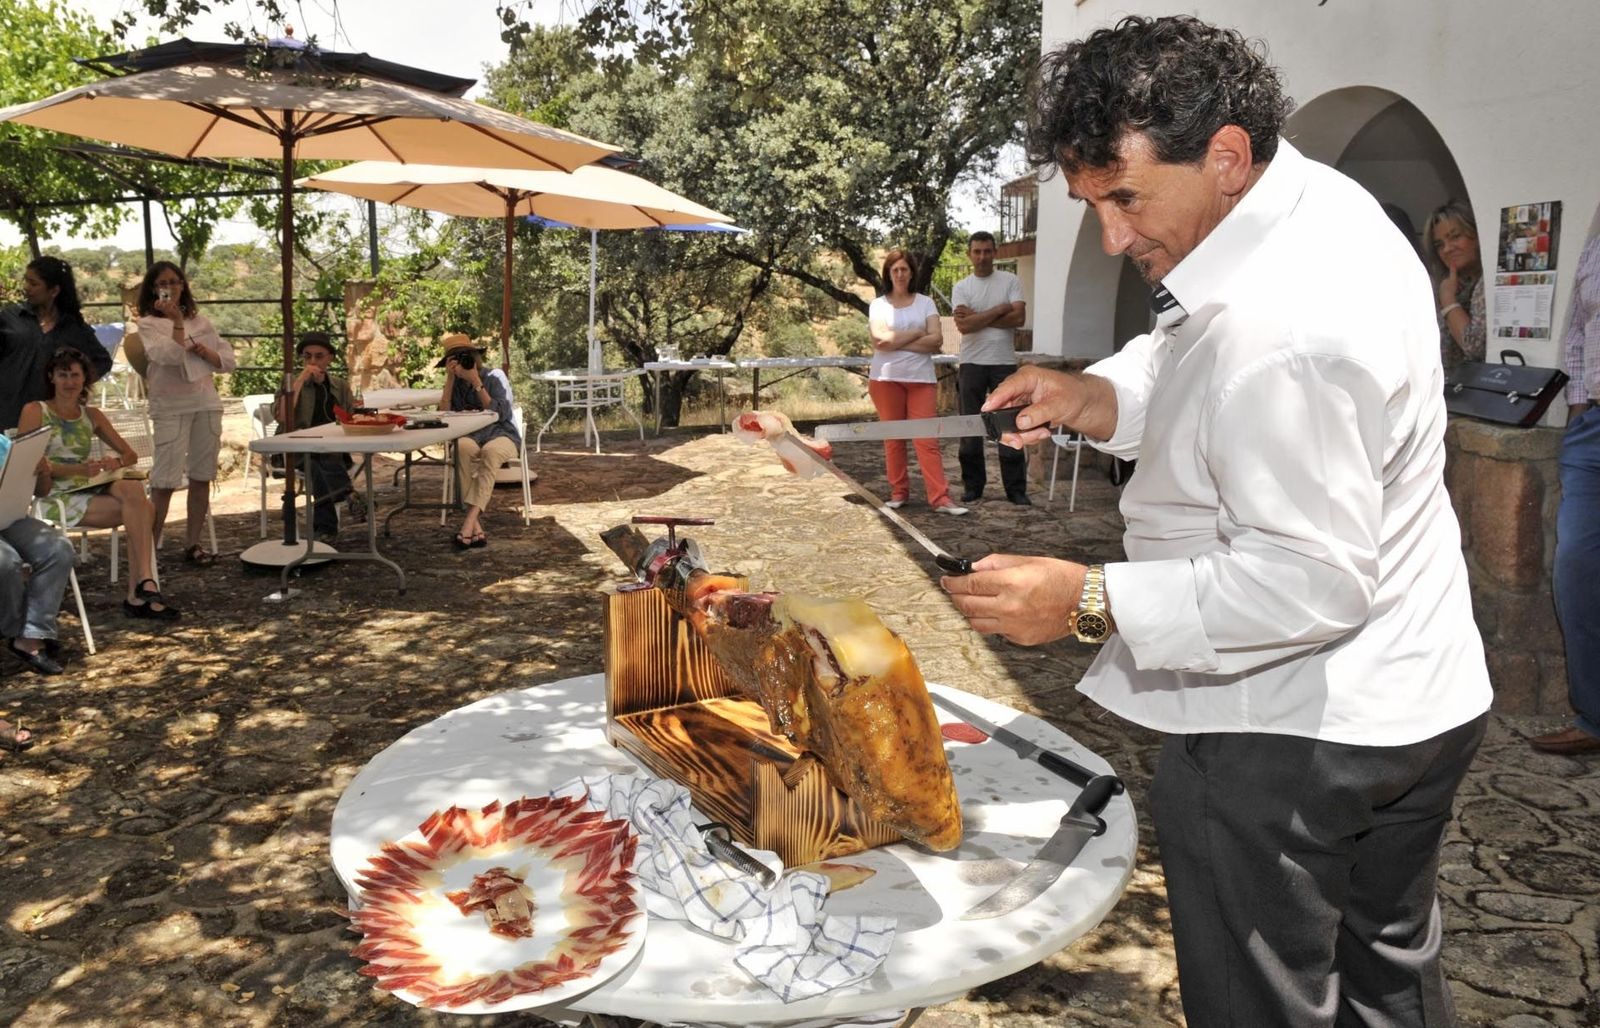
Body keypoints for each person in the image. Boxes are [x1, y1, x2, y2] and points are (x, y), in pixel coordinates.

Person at [941, 16, 1490, 1027]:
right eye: (1091, 204)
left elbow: (1307, 585)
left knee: (1258, 1003)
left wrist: (1088, 600)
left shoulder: (1291, 327)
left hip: (1290, 732)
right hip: (1419, 692)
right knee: (1389, 979)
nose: (1113, 237)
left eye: (1125, 198)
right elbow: (1189, 345)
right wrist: (1097, 395)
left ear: (1226, 155)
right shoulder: (1306, 205)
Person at [19, 347, 179, 620]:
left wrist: (113, 463)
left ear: (85, 379)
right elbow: (27, 463)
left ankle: (142, 585)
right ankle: (142, 588)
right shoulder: (36, 410)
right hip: (54, 494)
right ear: (51, 377)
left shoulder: (91, 415)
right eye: (63, 375)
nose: (69, 382)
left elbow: (130, 455)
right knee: (145, 510)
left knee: (132, 488)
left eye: (75, 375)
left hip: (89, 485)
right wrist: (78, 469)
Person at [1533, 233, 1600, 755]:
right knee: (1575, 570)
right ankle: (1594, 715)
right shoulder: (1595, 243)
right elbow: (1578, 332)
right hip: (1592, 427)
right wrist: (1578, 415)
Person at [135, 261, 235, 565]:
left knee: (202, 475)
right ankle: (148, 551)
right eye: (163, 283)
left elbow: (228, 361)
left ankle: (193, 543)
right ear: (153, 289)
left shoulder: (201, 321)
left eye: (175, 281)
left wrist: (207, 352)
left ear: (183, 285)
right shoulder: (148, 324)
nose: (170, 287)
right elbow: (168, 356)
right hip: (170, 406)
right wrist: (176, 322)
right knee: (164, 480)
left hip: (205, 402)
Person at [867, 250, 966, 515]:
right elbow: (880, 340)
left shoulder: (925, 303)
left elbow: (936, 341)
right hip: (885, 379)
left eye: (905, 269)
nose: (900, 274)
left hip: (921, 379)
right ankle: (898, 493)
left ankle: (941, 499)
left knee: (927, 439)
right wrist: (916, 332)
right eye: (895, 270)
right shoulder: (878, 305)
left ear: (912, 273)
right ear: (888, 274)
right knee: (894, 439)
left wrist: (896, 340)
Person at [952, 231, 1029, 505]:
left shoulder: (1010, 281)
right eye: (977, 252)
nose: (982, 257)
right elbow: (964, 325)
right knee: (970, 427)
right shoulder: (962, 287)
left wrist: (978, 317)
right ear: (969, 254)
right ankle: (973, 486)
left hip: (1003, 363)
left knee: (1009, 426)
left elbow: (1019, 318)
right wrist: (998, 310)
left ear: (994, 253)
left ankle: (1016, 490)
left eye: (987, 251)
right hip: (971, 362)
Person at [0, 255, 112, 432]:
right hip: (6, 415)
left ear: (54, 291)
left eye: (33, 283)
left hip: (53, 422)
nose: (26, 287)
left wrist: (74, 385)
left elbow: (102, 361)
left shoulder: (74, 327)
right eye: (26, 281)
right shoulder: (9, 317)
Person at [0, 429, 75, 676]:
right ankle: (15, 630)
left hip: (8, 517)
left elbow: (42, 491)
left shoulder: (2, 444)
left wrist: (42, 472)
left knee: (58, 549)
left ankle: (32, 634)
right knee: (6, 562)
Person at [437, 334, 520, 549]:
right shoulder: (454, 384)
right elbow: (443, 414)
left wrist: (475, 381)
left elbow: (500, 413)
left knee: (491, 453)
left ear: (475, 356)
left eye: (465, 356)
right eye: (455, 358)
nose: (461, 361)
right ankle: (476, 526)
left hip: (500, 433)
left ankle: (468, 522)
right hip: (470, 434)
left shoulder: (493, 377)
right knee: (460, 449)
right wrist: (450, 379)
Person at [280, 332, 356, 544]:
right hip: (296, 449)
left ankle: (326, 528)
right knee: (314, 463)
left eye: (319, 356)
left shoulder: (340, 385)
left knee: (324, 459)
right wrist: (300, 380)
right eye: (307, 356)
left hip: (333, 448)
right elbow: (283, 416)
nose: (312, 361)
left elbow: (351, 419)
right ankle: (348, 494)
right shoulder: (291, 383)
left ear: (330, 358)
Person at [1422, 200, 1488, 373]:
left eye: (1455, 237)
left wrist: (1449, 301)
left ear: (1477, 235)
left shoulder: (1488, 282)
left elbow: (1474, 347)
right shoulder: (1447, 285)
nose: (1447, 249)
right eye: (1439, 245)